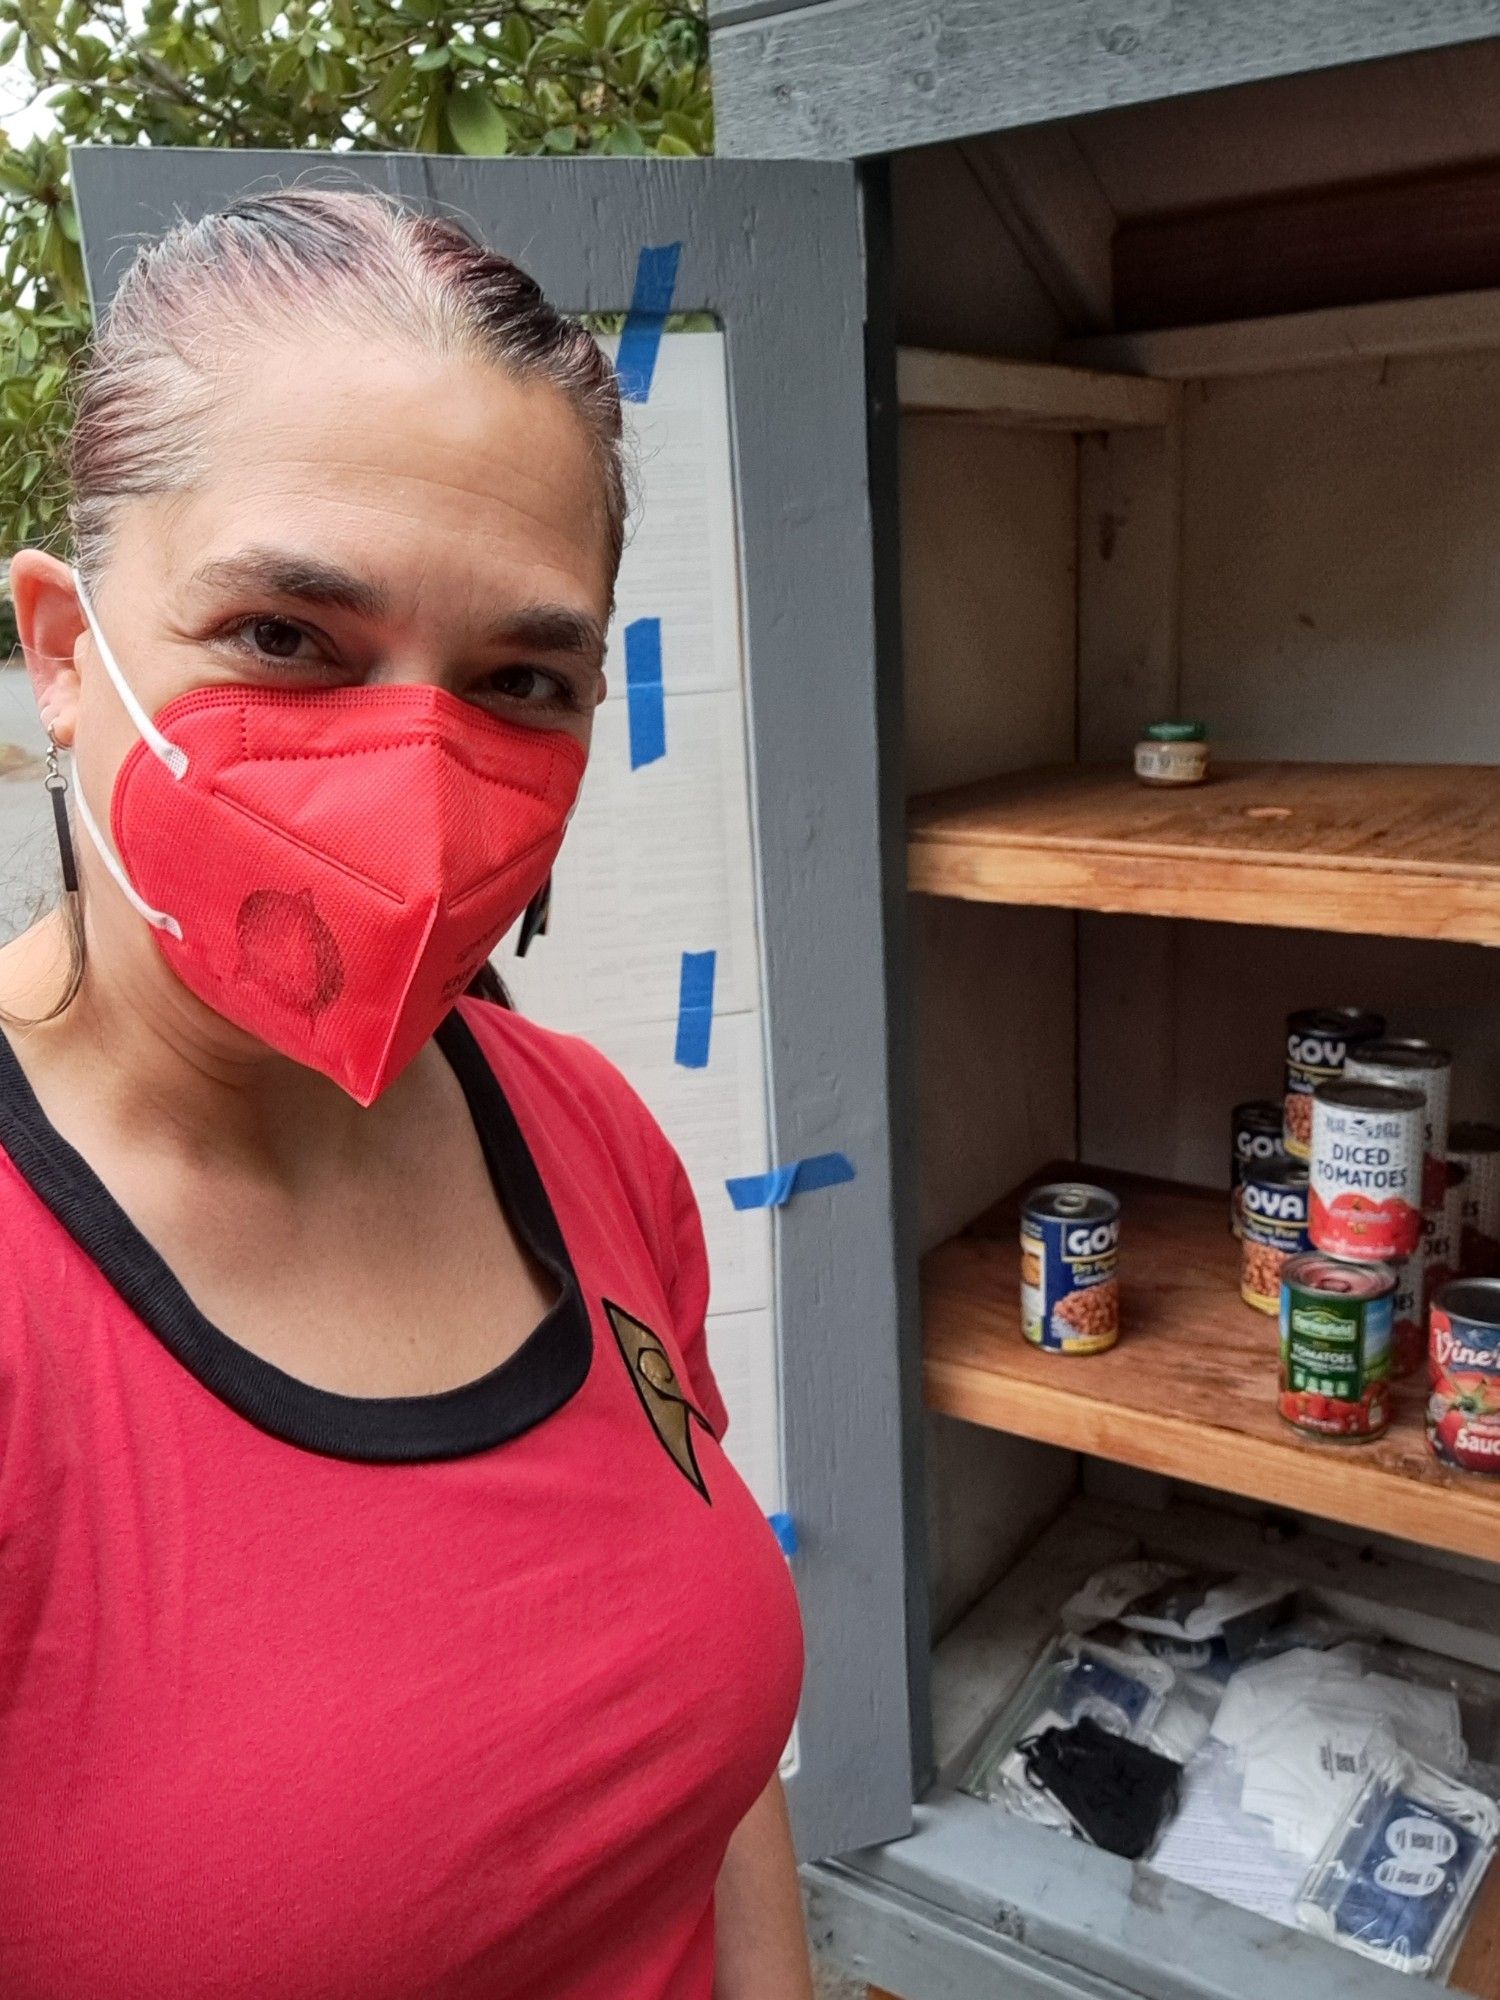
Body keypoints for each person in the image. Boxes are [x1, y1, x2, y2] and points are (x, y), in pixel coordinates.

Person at [1, 183, 810, 2000]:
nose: (420, 779)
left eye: (523, 678)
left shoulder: (586, 1129)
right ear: (64, 654)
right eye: (288, 637)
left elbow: (715, 1776)